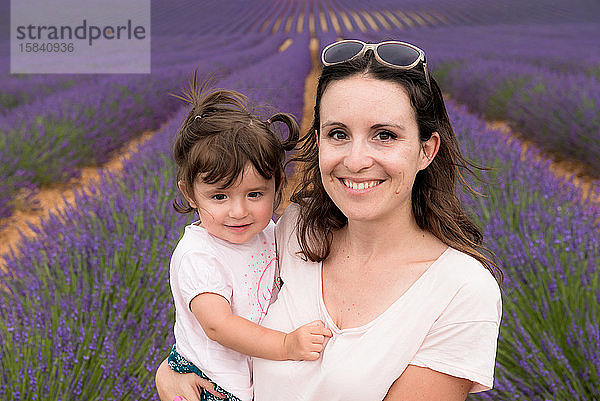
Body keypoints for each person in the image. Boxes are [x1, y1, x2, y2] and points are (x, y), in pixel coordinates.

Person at [156, 40, 503, 401]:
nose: (355, 160)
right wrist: (172, 371)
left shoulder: (461, 291)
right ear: (319, 140)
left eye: (384, 135)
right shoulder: (293, 232)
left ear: (426, 150)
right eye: (339, 134)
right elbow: (224, 307)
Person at [166, 77, 333, 401]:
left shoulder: (271, 234)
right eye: (219, 197)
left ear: (277, 185)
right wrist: (286, 345)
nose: (239, 211)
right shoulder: (199, 255)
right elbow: (218, 326)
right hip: (212, 386)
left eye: (255, 194)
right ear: (190, 194)